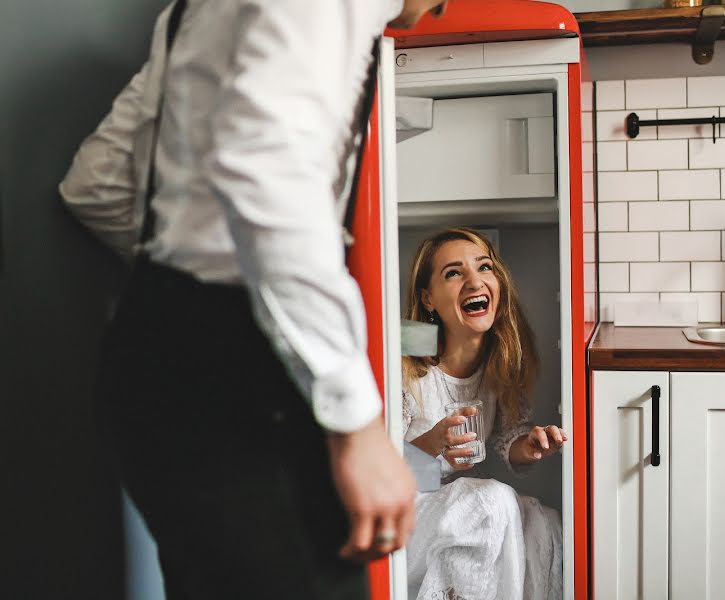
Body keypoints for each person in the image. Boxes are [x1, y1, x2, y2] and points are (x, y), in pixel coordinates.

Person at [59, 1, 450, 598]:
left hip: (152, 355)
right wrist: (359, 426)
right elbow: (267, 168)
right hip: (238, 382)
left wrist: (183, 282)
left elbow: (98, 181)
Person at [401, 227, 568, 600]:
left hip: (456, 507)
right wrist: (434, 442)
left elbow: (507, 437)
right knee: (491, 500)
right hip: (405, 518)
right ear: (428, 298)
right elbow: (380, 470)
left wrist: (529, 445)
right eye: (454, 272)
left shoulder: (498, 360)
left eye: (484, 267)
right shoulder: (405, 360)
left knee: (542, 524)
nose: (474, 280)